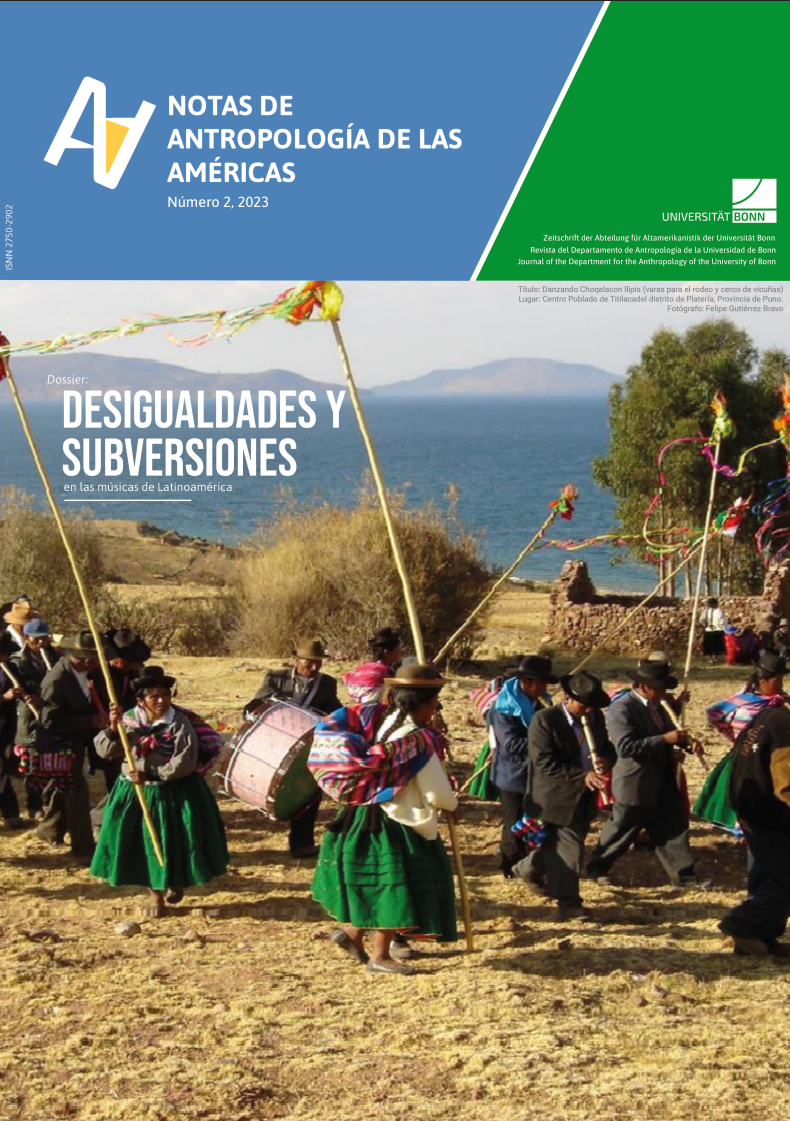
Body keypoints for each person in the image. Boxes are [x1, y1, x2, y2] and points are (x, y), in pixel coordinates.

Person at [308, 662, 457, 975]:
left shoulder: (381, 724)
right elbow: (435, 793)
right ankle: (380, 955)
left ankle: (351, 934)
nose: (434, 711)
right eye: (434, 704)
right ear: (427, 704)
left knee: (369, 882)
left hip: (360, 814)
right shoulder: (417, 739)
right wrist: (451, 804)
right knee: (393, 886)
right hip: (395, 821)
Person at [90, 665, 228, 918]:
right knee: (144, 843)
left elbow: (185, 760)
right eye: (154, 696)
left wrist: (153, 775)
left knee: (175, 839)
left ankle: (175, 880)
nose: (162, 701)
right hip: (135, 792)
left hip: (175, 791)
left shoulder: (179, 722)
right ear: (141, 700)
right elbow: (105, 751)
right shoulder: (127, 720)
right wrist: (112, 727)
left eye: (165, 695)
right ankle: (155, 894)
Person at [585, 660, 707, 888]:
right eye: (658, 688)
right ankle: (596, 868)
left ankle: (684, 877)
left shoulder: (659, 705)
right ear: (642, 686)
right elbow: (626, 747)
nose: (663, 693)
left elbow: (670, 736)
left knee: (673, 826)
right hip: (635, 780)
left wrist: (688, 744)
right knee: (622, 828)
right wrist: (665, 739)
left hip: (662, 778)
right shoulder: (622, 708)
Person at [513, 671, 614, 921]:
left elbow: (608, 748)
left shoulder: (595, 717)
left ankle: (527, 868)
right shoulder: (544, 720)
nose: (588, 710)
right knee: (570, 850)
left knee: (558, 847)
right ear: (567, 698)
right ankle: (569, 903)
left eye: (592, 706)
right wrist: (582, 775)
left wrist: (604, 760)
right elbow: (544, 762)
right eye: (584, 705)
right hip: (554, 797)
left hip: (584, 798)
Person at [243, 639, 340, 858]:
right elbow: (258, 703)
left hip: (309, 744)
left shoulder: (327, 683)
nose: (314, 668)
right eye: (309, 662)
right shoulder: (275, 678)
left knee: (309, 789)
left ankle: (302, 843)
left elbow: (333, 709)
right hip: (277, 740)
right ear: (295, 660)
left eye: (318, 663)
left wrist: (336, 719)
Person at [718, 700, 790, 957]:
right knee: (783, 877)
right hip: (770, 814)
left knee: (768, 874)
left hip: (751, 809)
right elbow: (786, 784)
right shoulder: (785, 728)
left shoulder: (768, 717)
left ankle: (762, 934)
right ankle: (742, 926)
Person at [35, 630, 108, 863]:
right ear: (88, 660)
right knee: (76, 794)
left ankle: (49, 829)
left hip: (74, 743)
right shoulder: (57, 680)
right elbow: (48, 721)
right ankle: (84, 848)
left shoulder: (81, 675)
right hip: (58, 746)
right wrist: (90, 721)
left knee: (63, 790)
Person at [488, 655, 557, 878]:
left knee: (534, 819)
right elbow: (510, 744)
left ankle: (529, 861)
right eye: (541, 683)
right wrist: (545, 742)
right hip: (514, 774)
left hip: (538, 774)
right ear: (526, 682)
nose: (544, 688)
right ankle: (509, 864)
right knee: (513, 822)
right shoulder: (504, 708)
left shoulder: (543, 703)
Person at [89, 627, 152, 793]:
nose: (133, 665)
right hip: (107, 730)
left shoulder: (133, 671)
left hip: (131, 728)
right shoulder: (97, 673)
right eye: (128, 660)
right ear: (113, 657)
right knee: (114, 770)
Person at [10, 617, 61, 819]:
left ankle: (49, 803)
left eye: (43, 639)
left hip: (53, 717)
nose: (40, 643)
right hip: (30, 720)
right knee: (33, 766)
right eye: (35, 639)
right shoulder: (17, 662)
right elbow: (21, 686)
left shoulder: (57, 659)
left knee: (53, 764)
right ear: (27, 638)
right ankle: (33, 805)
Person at [343, 627, 402, 703]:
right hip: (375, 705)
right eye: (397, 652)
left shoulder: (365, 667)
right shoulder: (385, 671)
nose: (400, 655)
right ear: (386, 652)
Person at [700, 597, 728, 661]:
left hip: (710, 629)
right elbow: (722, 620)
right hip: (717, 630)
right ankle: (714, 657)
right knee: (714, 644)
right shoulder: (718, 611)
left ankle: (712, 657)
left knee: (712, 645)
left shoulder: (707, 611)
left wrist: (706, 626)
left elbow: (701, 620)